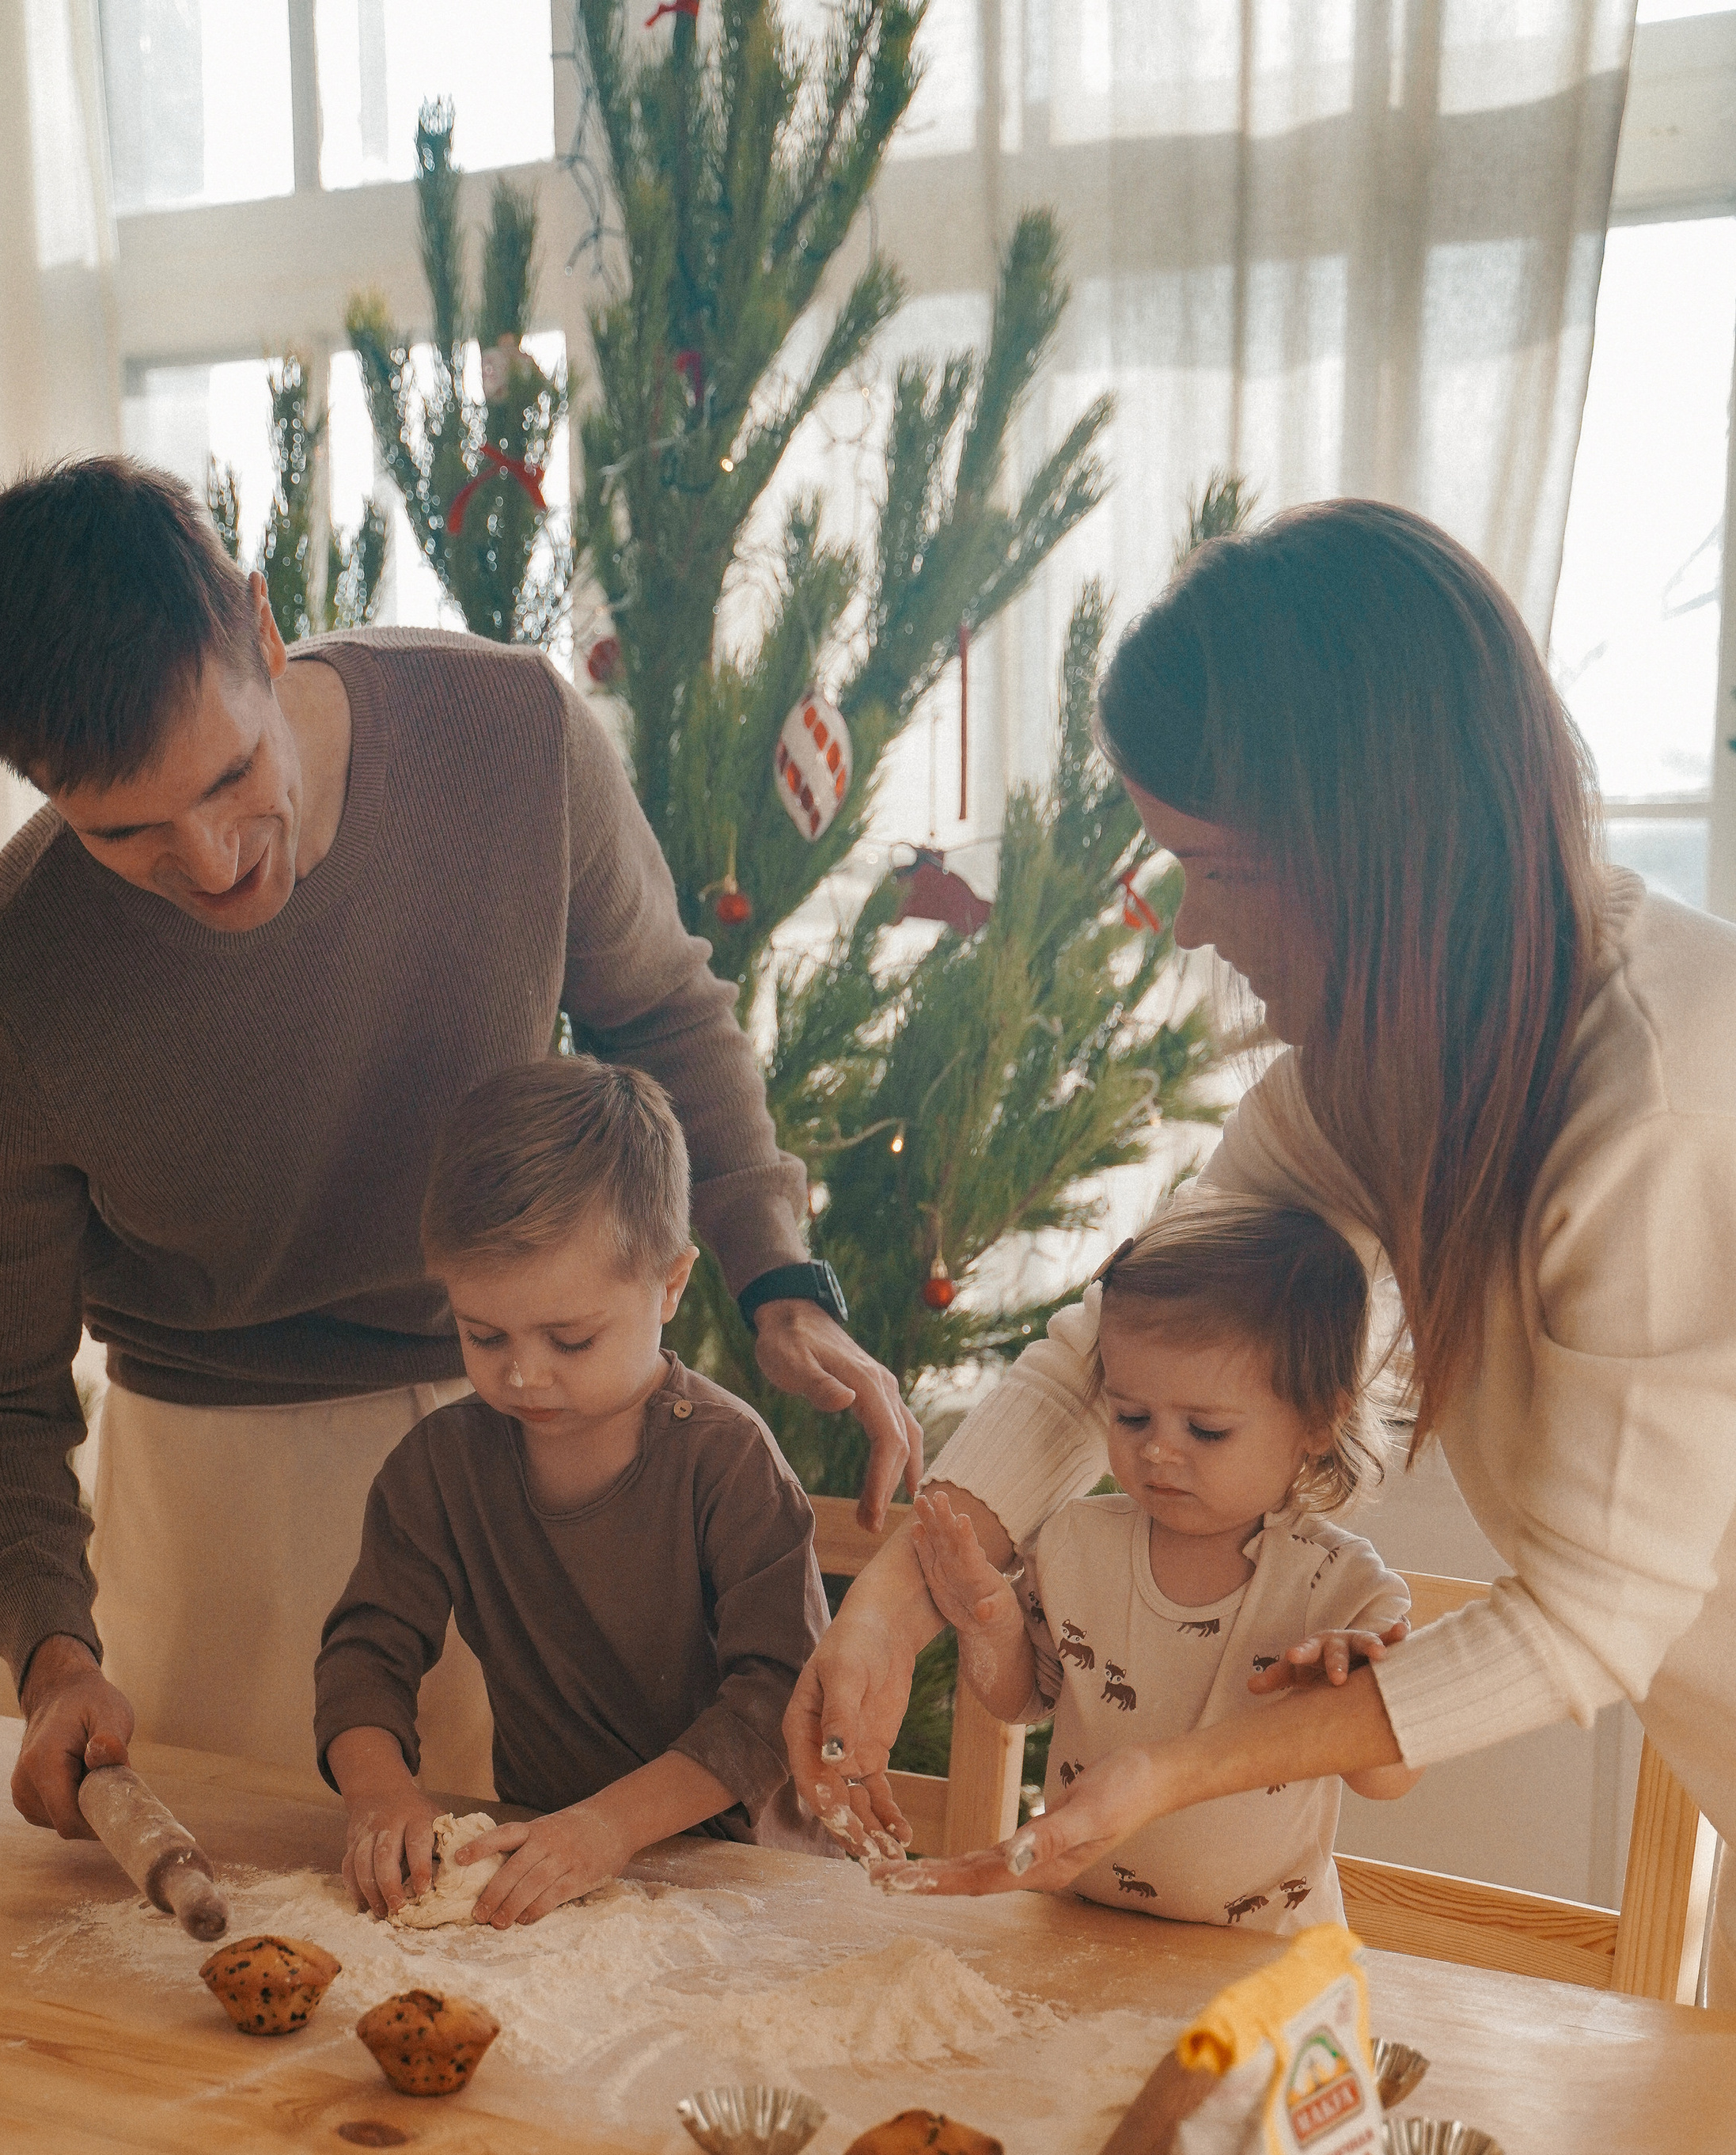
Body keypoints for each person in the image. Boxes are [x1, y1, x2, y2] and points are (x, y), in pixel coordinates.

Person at [785, 497, 1736, 1998]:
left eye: (1214, 871)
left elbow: (1589, 1623)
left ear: (1374, 858)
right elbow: (1125, 1339)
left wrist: (1175, 1773)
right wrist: (902, 1590)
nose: (1183, 929)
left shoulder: (1659, 1109)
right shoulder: (1378, 1077)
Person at [0, 458, 920, 1838]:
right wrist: (51, 1654)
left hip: (522, 1418)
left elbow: (667, 1016)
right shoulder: (2, 983)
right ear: (35, 782)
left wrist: (780, 1281)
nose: (211, 861)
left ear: (264, 632)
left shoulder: (509, 731)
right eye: (128, 834)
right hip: (217, 1506)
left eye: (230, 776)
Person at [317, 1057, 836, 1926]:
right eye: (483, 1335)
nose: (523, 1374)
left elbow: (775, 1695)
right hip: (550, 1877)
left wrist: (608, 1827)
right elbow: (365, 1655)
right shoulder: (440, 1468)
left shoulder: (727, 1461)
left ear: (670, 1284)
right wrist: (378, 1796)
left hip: (748, 1888)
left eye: (570, 1338)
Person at [908, 1201, 1416, 1932]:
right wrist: (988, 1621)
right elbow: (1024, 1699)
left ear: (1316, 1420)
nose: (1158, 1452)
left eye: (1205, 1429)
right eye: (1131, 1417)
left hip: (1261, 1960)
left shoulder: (1342, 1588)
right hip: (1078, 1926)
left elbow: (1390, 1778)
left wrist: (1359, 1686)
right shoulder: (1075, 1543)